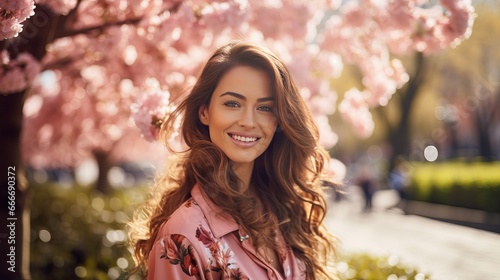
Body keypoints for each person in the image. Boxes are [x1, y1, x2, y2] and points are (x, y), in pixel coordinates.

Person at [129, 41, 337, 280]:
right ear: (204, 112)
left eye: (265, 108)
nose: (249, 121)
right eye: (232, 104)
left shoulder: (283, 213)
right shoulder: (182, 237)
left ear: (279, 120)